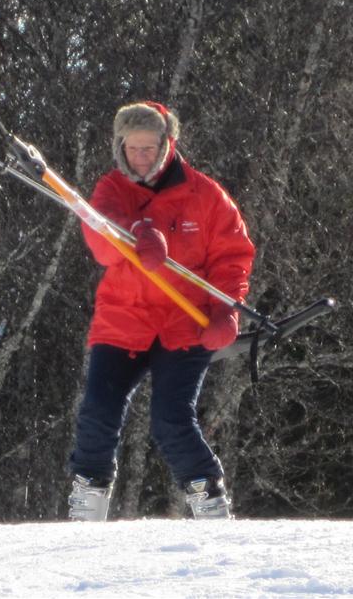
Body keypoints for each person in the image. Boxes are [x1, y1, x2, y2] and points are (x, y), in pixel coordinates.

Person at [67, 101, 256, 521]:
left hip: (184, 323)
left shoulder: (206, 195)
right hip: (124, 320)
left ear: (168, 144)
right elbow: (100, 238)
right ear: (120, 146)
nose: (141, 158)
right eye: (132, 148)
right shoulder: (111, 189)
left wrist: (227, 312)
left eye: (150, 148)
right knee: (99, 409)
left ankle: (209, 502)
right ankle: (88, 500)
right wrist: (134, 233)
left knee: (171, 419)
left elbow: (232, 257)